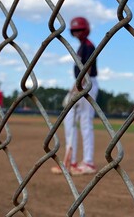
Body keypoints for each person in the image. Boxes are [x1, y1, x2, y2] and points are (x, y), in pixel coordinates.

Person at [51, 17, 99, 175]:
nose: (77, 32)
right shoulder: (81, 47)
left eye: (79, 29)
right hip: (79, 84)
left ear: (85, 29)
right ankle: (69, 161)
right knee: (69, 119)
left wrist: (78, 89)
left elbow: (89, 68)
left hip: (87, 83)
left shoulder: (88, 46)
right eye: (75, 30)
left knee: (85, 121)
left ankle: (88, 162)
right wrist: (73, 90)